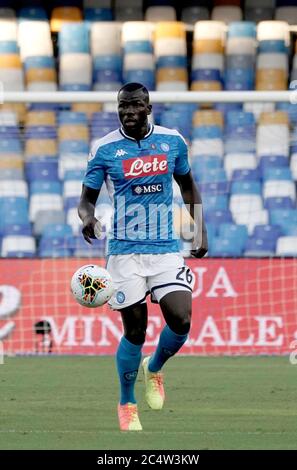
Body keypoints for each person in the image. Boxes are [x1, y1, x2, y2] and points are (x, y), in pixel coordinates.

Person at [78, 82, 208, 431]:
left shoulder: (172, 141)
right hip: (124, 251)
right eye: (122, 106)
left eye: (134, 105)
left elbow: (188, 185)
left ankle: (155, 368)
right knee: (135, 331)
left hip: (166, 247)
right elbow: (86, 198)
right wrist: (88, 217)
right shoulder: (104, 149)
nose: (128, 112)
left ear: (148, 107)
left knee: (181, 320)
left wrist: (199, 227)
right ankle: (127, 402)